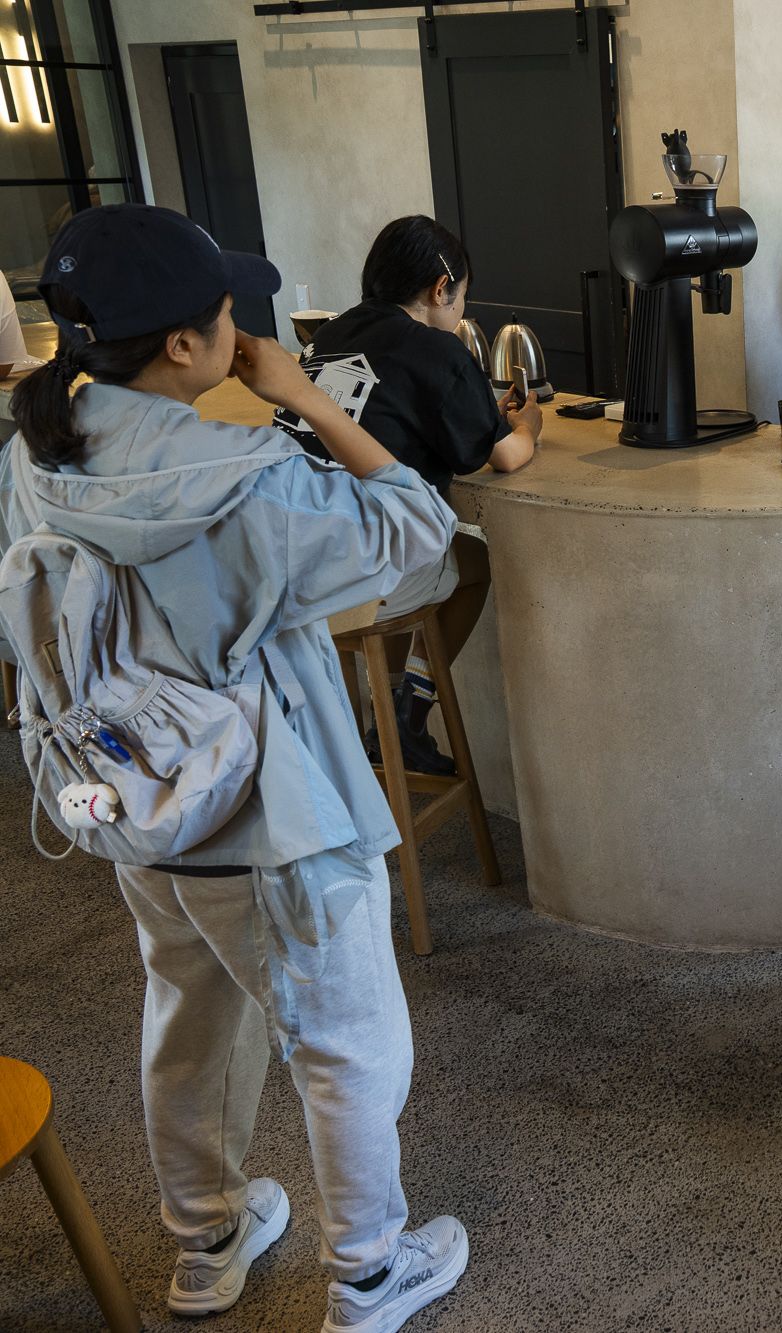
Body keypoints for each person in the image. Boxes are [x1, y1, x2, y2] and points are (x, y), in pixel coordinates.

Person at [0, 204, 466, 1332]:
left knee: (191, 1009)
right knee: (347, 1040)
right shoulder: (243, 478)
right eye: (224, 312)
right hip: (267, 811)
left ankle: (207, 1238)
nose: (237, 326)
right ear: (182, 344)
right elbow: (417, 527)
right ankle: (369, 1273)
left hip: (130, 793)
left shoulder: (37, 449)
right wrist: (305, 398)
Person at [273, 214, 539, 777]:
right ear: (441, 289)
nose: (461, 309)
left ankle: (384, 718)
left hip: (292, 563)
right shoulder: (437, 350)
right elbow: (506, 457)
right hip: (359, 572)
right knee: (472, 563)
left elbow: (385, 414)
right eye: (462, 295)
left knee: (404, 553)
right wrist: (528, 425)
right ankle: (407, 717)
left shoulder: (329, 336)